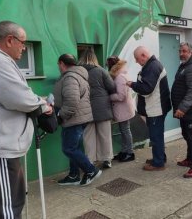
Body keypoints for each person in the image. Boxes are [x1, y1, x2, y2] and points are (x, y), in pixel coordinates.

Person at [0, 21, 52, 218]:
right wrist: (43, 104)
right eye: (22, 42)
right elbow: (19, 97)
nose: (24, 48)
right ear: (9, 40)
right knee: (8, 209)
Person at [53, 54, 101, 186]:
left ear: (62, 63)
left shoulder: (70, 77)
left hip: (73, 119)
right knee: (75, 147)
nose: (58, 67)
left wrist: (60, 115)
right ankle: (74, 175)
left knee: (69, 148)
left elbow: (72, 101)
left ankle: (91, 170)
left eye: (58, 64)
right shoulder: (77, 75)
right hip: (79, 118)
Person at [127, 46, 172, 171]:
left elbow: (146, 89)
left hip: (155, 109)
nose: (136, 62)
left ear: (143, 55)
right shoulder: (153, 65)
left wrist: (132, 84)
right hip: (157, 108)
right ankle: (160, 158)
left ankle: (158, 163)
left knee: (156, 137)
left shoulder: (152, 67)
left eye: (137, 59)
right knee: (157, 136)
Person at [171, 43, 192, 177]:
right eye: (180, 51)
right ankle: (190, 159)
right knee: (187, 136)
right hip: (185, 112)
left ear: (191, 52)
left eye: (184, 51)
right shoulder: (185, 66)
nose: (181, 53)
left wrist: (182, 107)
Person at [78, 48, 116, 169]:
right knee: (104, 134)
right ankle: (107, 159)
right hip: (102, 107)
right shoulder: (101, 71)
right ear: (95, 58)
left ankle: (90, 160)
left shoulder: (78, 72)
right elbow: (112, 87)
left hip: (85, 108)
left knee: (88, 135)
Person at [107, 56, 136, 162]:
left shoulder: (119, 77)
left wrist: (109, 97)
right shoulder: (122, 74)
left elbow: (121, 96)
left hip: (123, 109)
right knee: (124, 130)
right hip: (124, 108)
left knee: (125, 130)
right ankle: (125, 151)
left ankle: (130, 153)